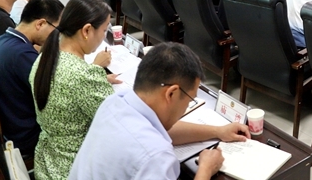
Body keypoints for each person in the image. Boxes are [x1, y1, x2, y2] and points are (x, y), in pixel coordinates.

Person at [69, 42, 250, 180]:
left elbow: (161, 130)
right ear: (171, 93)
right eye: (189, 100)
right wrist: (205, 169)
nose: (186, 107)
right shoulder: (156, 157)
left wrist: (218, 131)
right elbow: (151, 144)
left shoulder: (115, 102)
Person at [29, 0, 120, 180]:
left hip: (48, 162)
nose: (103, 37)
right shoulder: (83, 76)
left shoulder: (44, 58)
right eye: (104, 30)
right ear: (86, 30)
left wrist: (98, 78)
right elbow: (122, 127)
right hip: (76, 168)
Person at [0, 0, 64, 156]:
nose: (57, 36)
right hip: (27, 137)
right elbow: (58, 94)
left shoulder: (1, 42)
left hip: (12, 126)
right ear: (40, 24)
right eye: (57, 30)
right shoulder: (21, 55)